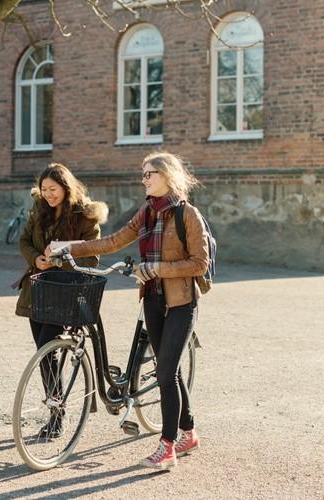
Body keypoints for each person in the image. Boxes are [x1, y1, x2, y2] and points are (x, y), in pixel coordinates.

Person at [45, 152, 209, 470]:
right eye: (143, 174)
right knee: (169, 371)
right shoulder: (146, 213)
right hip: (152, 299)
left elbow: (199, 263)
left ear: (167, 175)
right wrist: (68, 247)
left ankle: (167, 446)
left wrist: (157, 268)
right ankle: (189, 433)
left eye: (149, 174)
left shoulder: (187, 215)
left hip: (181, 302)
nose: (144, 179)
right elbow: (112, 241)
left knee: (165, 373)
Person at [14, 163, 107, 438]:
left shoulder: (85, 216)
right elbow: (24, 241)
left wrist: (59, 258)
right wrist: (36, 259)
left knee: (47, 347)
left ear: (66, 188)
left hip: (67, 293)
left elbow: (92, 257)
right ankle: (57, 410)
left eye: (53, 189)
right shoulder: (39, 210)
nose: (48, 195)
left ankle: (57, 414)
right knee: (45, 355)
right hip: (39, 290)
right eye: (44, 189)